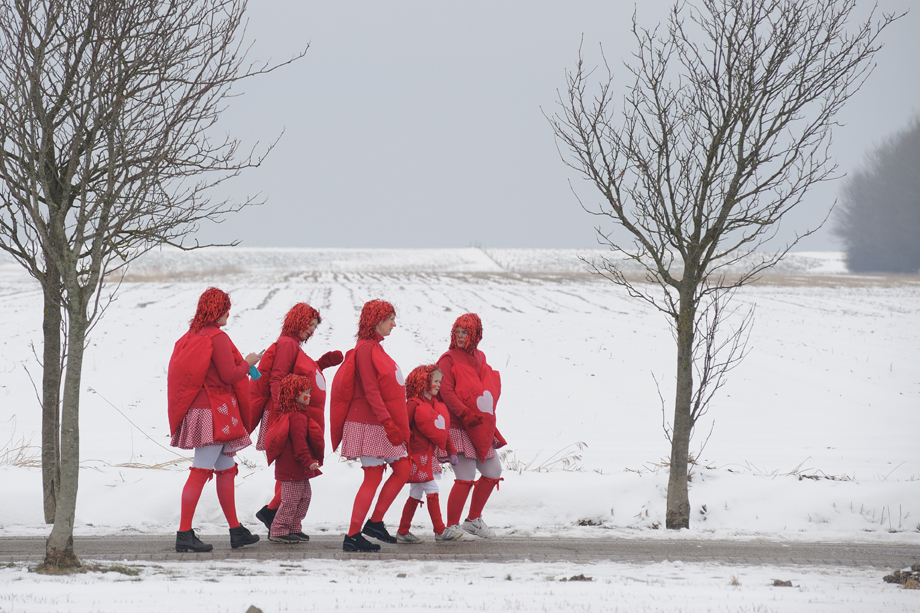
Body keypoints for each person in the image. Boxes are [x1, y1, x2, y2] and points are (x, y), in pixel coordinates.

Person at [167, 287, 263, 552]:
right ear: (217, 311)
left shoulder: (191, 336)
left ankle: (236, 530)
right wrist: (248, 362)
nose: (228, 315)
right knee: (200, 471)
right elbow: (230, 375)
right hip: (215, 412)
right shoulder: (217, 337)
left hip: (202, 410)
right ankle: (184, 534)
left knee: (225, 468)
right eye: (225, 310)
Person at [250, 303, 342, 534]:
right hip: (287, 415)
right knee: (292, 468)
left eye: (314, 326)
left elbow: (298, 375)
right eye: (309, 324)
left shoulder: (293, 346)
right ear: (297, 320)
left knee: (287, 468)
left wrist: (321, 364)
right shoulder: (288, 344)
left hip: (291, 414)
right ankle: (273, 512)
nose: (311, 330)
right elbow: (277, 378)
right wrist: (284, 412)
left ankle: (276, 515)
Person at [330, 299, 410, 552]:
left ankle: (374, 523)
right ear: (377, 321)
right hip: (369, 423)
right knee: (373, 476)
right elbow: (371, 390)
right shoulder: (366, 349)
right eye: (390, 320)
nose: (394, 324)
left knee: (403, 468)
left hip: (378, 422)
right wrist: (388, 422)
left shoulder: (375, 347)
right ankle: (353, 536)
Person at [437, 313, 506, 538]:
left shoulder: (480, 357)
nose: (459, 336)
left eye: (465, 332)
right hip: (457, 425)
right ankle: (451, 526)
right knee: (465, 477)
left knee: (493, 470)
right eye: (457, 331)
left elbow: (483, 387)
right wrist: (465, 413)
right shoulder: (448, 359)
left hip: (478, 426)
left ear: (475, 334)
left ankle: (473, 520)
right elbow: (445, 392)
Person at [394, 364, 464, 543]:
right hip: (417, 455)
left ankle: (403, 531)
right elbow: (403, 426)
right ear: (423, 382)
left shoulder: (436, 405)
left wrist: (452, 451)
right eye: (436, 381)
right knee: (432, 488)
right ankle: (440, 530)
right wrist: (405, 444)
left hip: (428, 455)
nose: (439, 385)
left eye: (440, 381)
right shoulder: (413, 403)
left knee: (416, 492)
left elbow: (444, 431)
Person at [263, 373, 322, 544]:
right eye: (306, 393)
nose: (310, 396)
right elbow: (299, 443)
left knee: (304, 497)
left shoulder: (298, 414)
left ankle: (294, 526)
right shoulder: (296, 417)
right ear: (295, 395)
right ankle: (279, 529)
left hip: (298, 468)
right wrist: (308, 461)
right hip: (292, 468)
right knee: (290, 500)